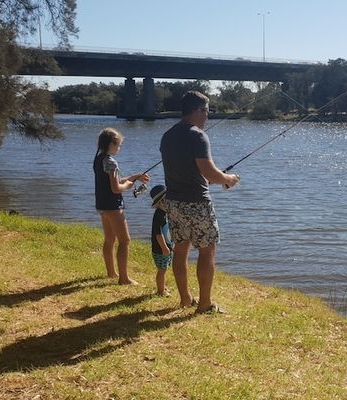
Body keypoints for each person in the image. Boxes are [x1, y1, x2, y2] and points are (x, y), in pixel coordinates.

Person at [160, 91, 239, 314]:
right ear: (197, 110)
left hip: (173, 202)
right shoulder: (198, 136)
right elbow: (209, 173)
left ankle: (185, 299)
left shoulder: (168, 136)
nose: (208, 116)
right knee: (207, 251)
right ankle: (204, 304)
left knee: (181, 250)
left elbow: (188, 171)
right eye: (207, 110)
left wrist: (212, 178)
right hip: (197, 203)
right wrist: (228, 179)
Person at [93, 127, 149, 285]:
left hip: (102, 205)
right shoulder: (111, 161)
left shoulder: (99, 159)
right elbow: (116, 188)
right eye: (118, 145)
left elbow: (113, 181)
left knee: (109, 239)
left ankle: (111, 273)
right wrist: (128, 186)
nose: (119, 148)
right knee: (125, 241)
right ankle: (124, 278)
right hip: (113, 206)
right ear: (111, 144)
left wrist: (134, 177)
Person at [149, 184, 173, 296]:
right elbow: (158, 234)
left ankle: (162, 287)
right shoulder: (159, 215)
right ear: (160, 202)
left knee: (165, 268)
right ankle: (160, 291)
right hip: (160, 249)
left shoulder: (165, 213)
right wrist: (164, 247)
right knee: (162, 270)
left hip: (167, 247)